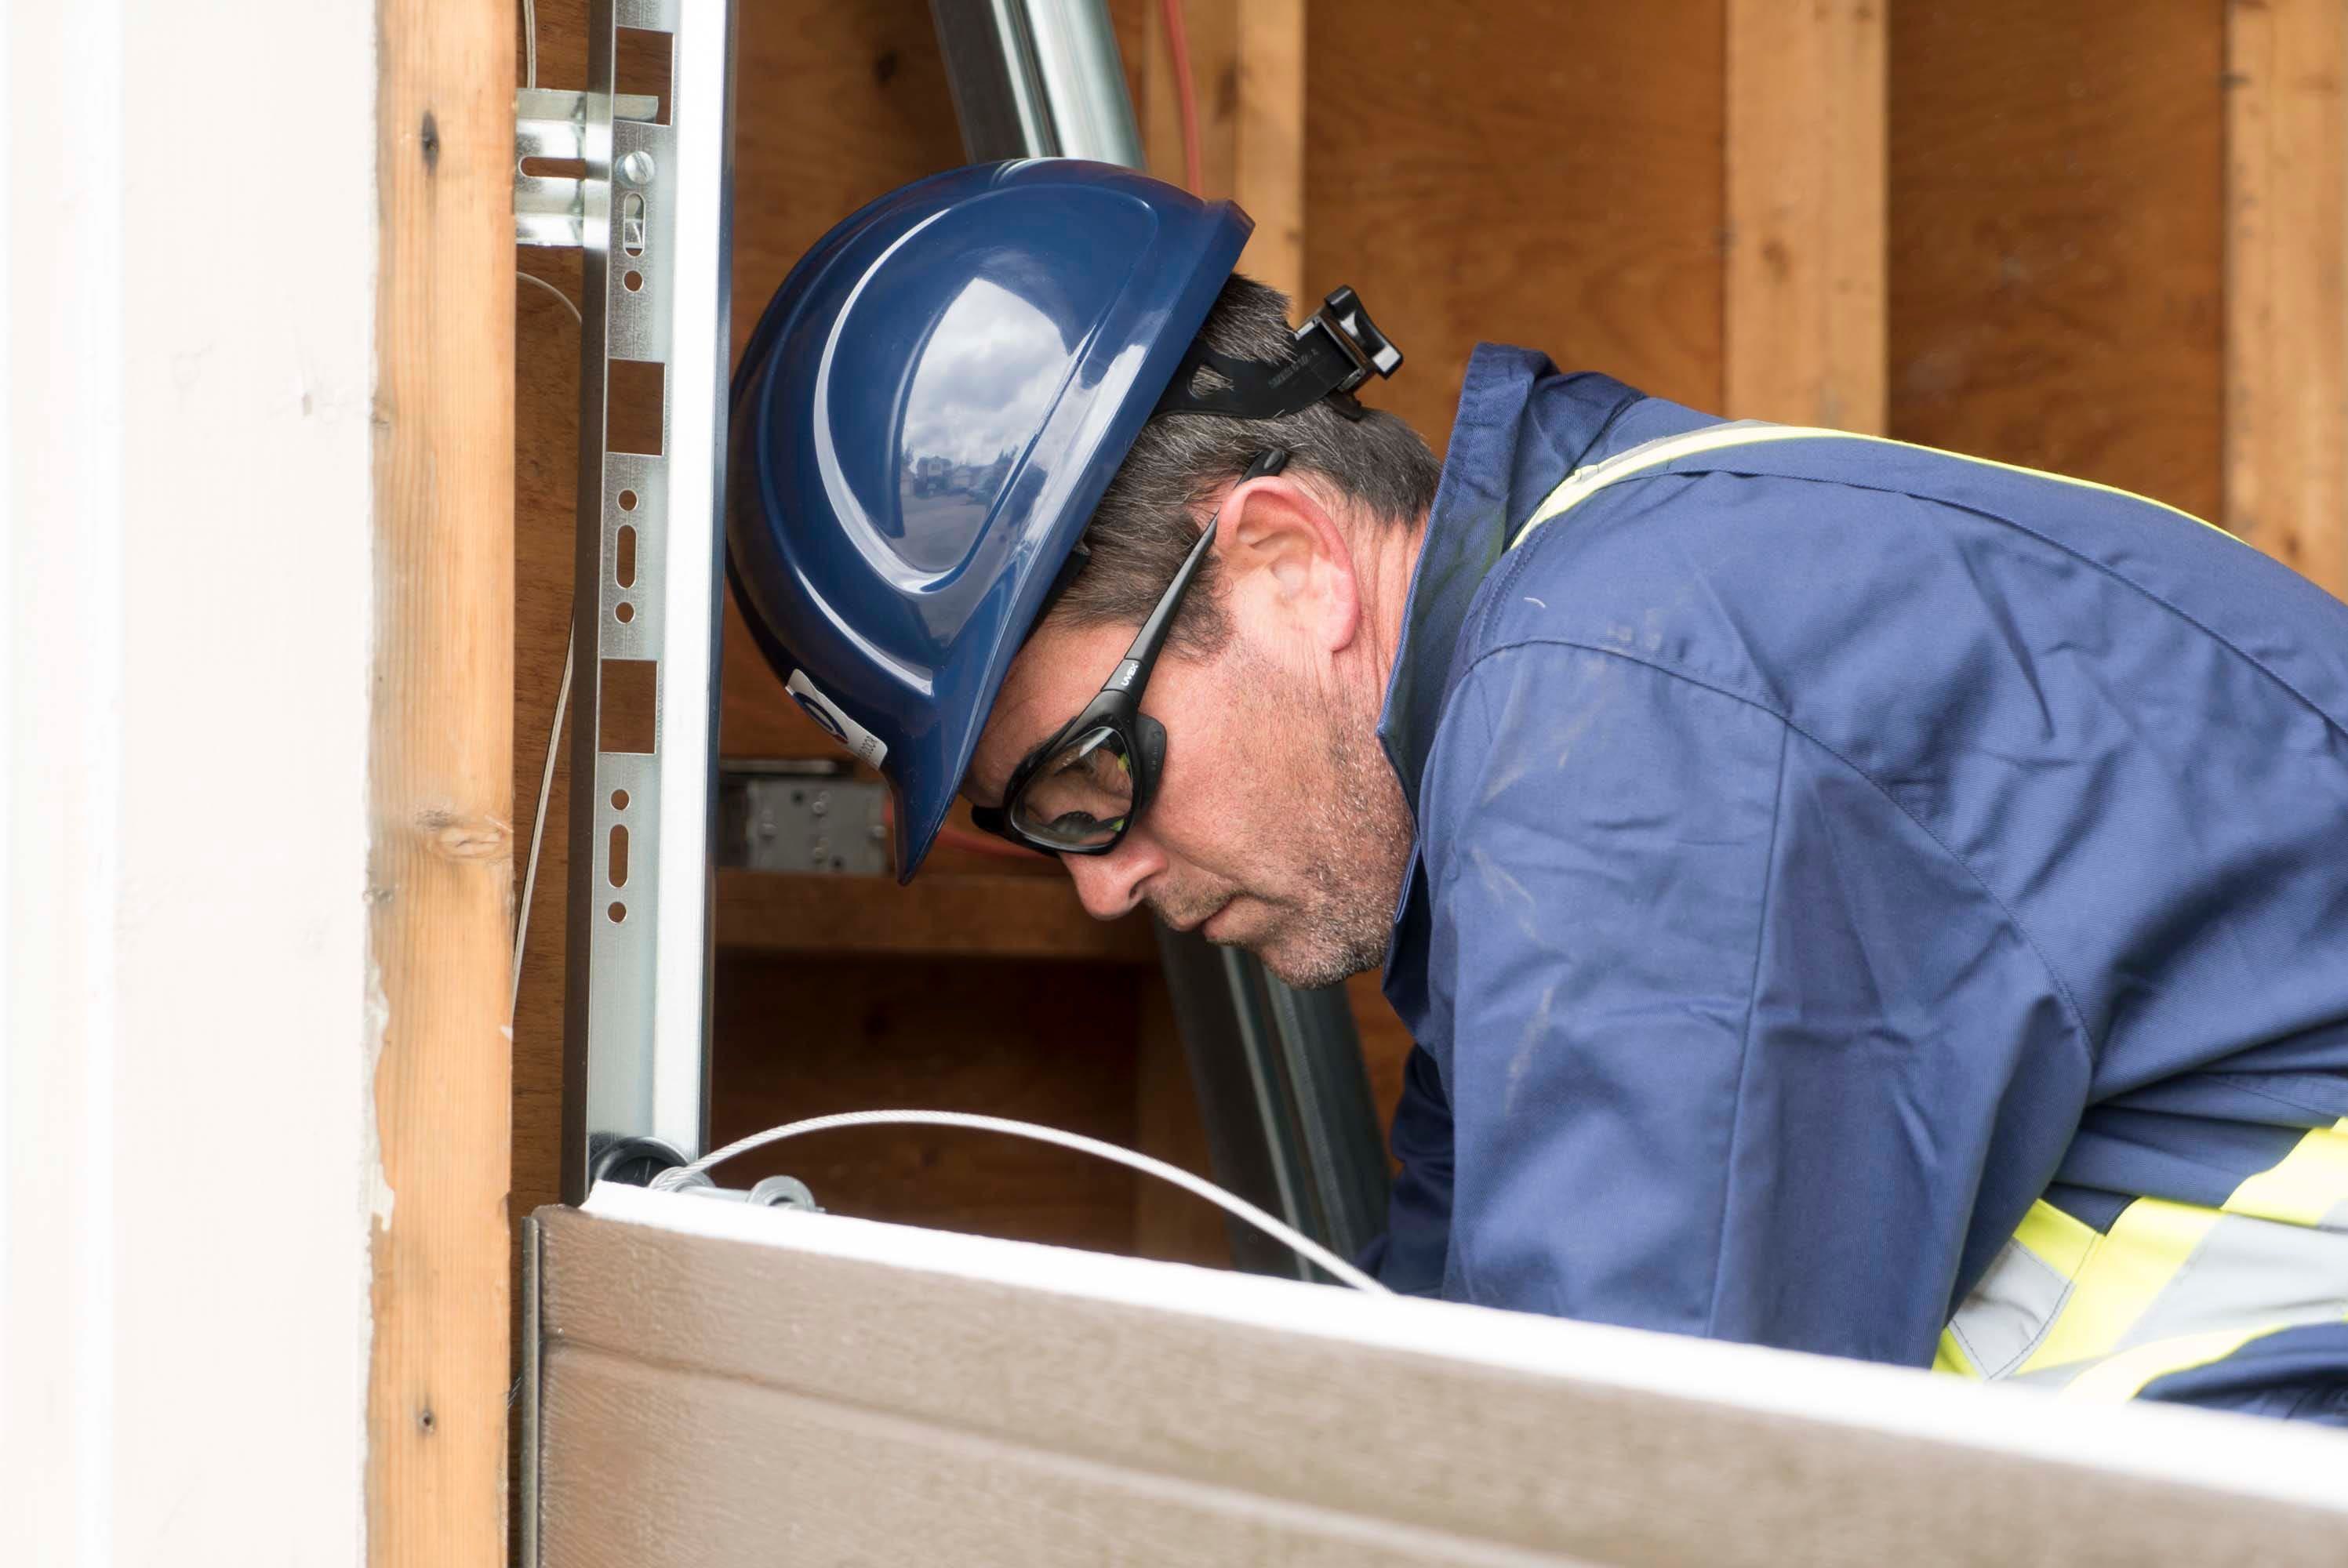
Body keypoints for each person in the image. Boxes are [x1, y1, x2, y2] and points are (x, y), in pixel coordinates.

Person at [729, 159, 2348, 1424]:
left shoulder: (1631, 724)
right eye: (1040, 824)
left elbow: (1631, 1490)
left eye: (1095, 777)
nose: (1098, 879)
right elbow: (1442, 1403)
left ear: (1289, 562)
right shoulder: (1570, 707)